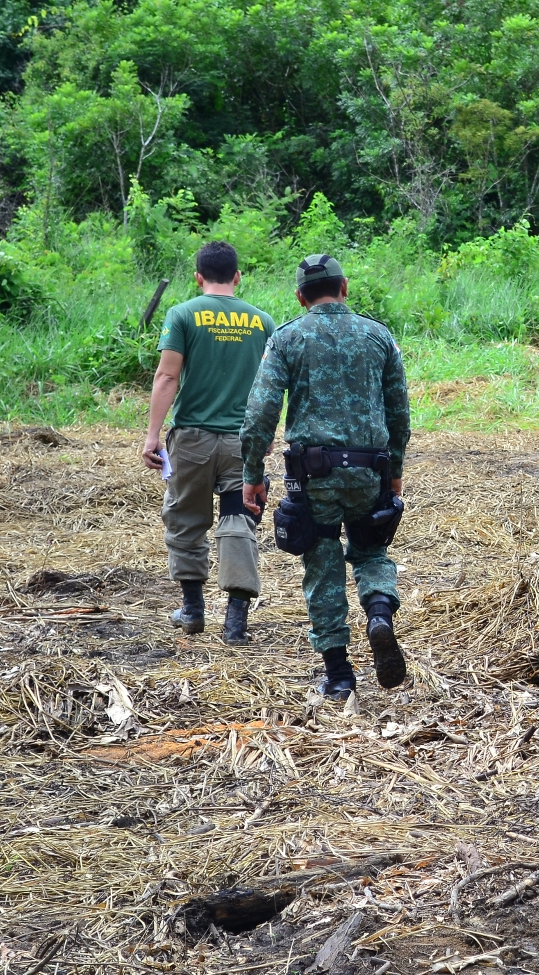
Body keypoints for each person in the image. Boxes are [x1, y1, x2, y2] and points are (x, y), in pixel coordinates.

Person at [239, 253, 410, 698]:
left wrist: (252, 472)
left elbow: (260, 413)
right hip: (370, 470)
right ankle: (377, 615)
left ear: (300, 296)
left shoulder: (287, 339)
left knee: (322, 563)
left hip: (313, 478)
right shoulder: (379, 337)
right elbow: (399, 414)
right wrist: (394, 475)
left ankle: (338, 676)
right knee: (371, 553)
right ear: (344, 287)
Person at [141, 240, 276, 644]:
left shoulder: (182, 315)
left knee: (186, 520)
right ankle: (235, 621)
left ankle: (193, 610)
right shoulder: (262, 322)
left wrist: (152, 435)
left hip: (193, 439)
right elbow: (271, 387)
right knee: (239, 520)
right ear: (237, 277)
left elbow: (168, 377)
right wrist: (265, 434)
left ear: (198, 277)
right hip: (242, 442)